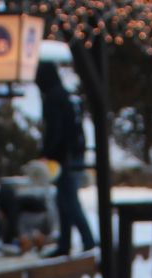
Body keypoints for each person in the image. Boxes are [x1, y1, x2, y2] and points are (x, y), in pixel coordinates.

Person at [37, 62, 96, 257]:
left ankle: (87, 241)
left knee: (69, 199)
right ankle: (66, 242)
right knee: (64, 199)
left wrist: (47, 152)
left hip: (64, 156)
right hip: (73, 154)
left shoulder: (54, 98)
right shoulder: (66, 95)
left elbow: (56, 130)